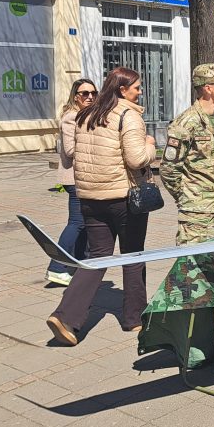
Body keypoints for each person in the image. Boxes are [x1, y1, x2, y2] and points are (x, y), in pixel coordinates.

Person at [46, 67, 156, 346]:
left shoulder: (86, 115)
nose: (140, 92)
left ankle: (65, 316)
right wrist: (150, 145)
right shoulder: (128, 115)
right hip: (123, 198)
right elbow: (136, 159)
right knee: (132, 255)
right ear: (122, 89)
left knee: (97, 257)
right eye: (136, 87)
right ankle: (134, 318)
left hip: (90, 198)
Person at [160, 63, 214, 246]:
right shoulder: (186, 122)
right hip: (198, 213)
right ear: (208, 88)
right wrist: (188, 198)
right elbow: (169, 168)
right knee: (194, 261)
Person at [47, 78, 97, 286]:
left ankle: (76, 262)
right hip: (74, 178)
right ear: (75, 96)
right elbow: (69, 149)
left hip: (85, 177)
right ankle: (56, 268)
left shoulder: (88, 116)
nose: (90, 97)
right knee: (77, 223)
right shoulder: (71, 117)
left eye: (93, 93)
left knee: (84, 223)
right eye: (85, 93)